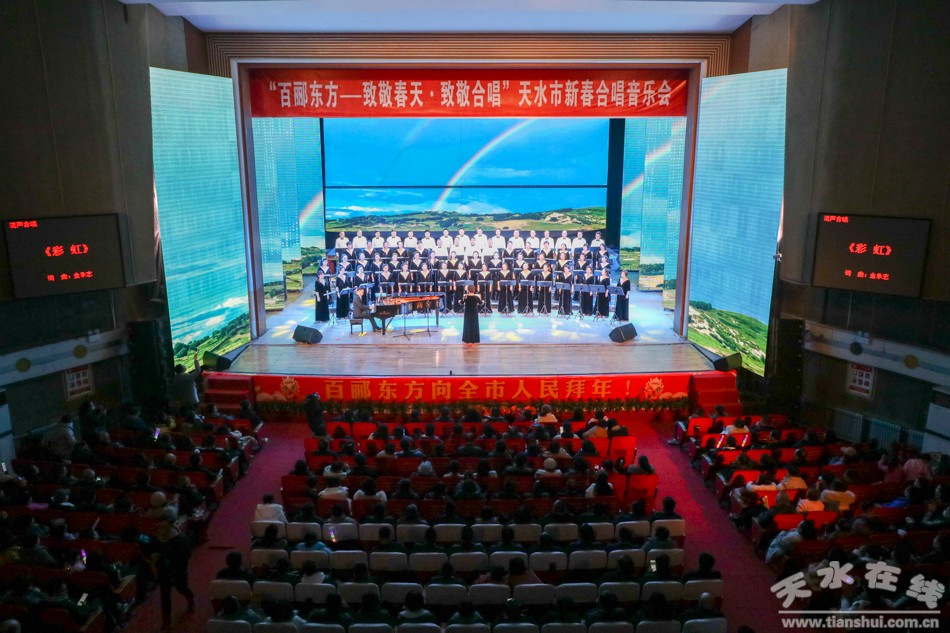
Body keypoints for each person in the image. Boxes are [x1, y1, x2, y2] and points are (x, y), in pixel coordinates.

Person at [152, 508, 194, 631]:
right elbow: (152, 548)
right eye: (159, 524)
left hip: (177, 572)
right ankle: (166, 622)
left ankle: (190, 598)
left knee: (182, 588)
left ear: (170, 524)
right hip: (163, 572)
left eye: (163, 524)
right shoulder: (158, 537)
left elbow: (186, 555)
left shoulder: (180, 539)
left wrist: (170, 561)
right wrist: (154, 556)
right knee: (164, 597)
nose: (160, 527)